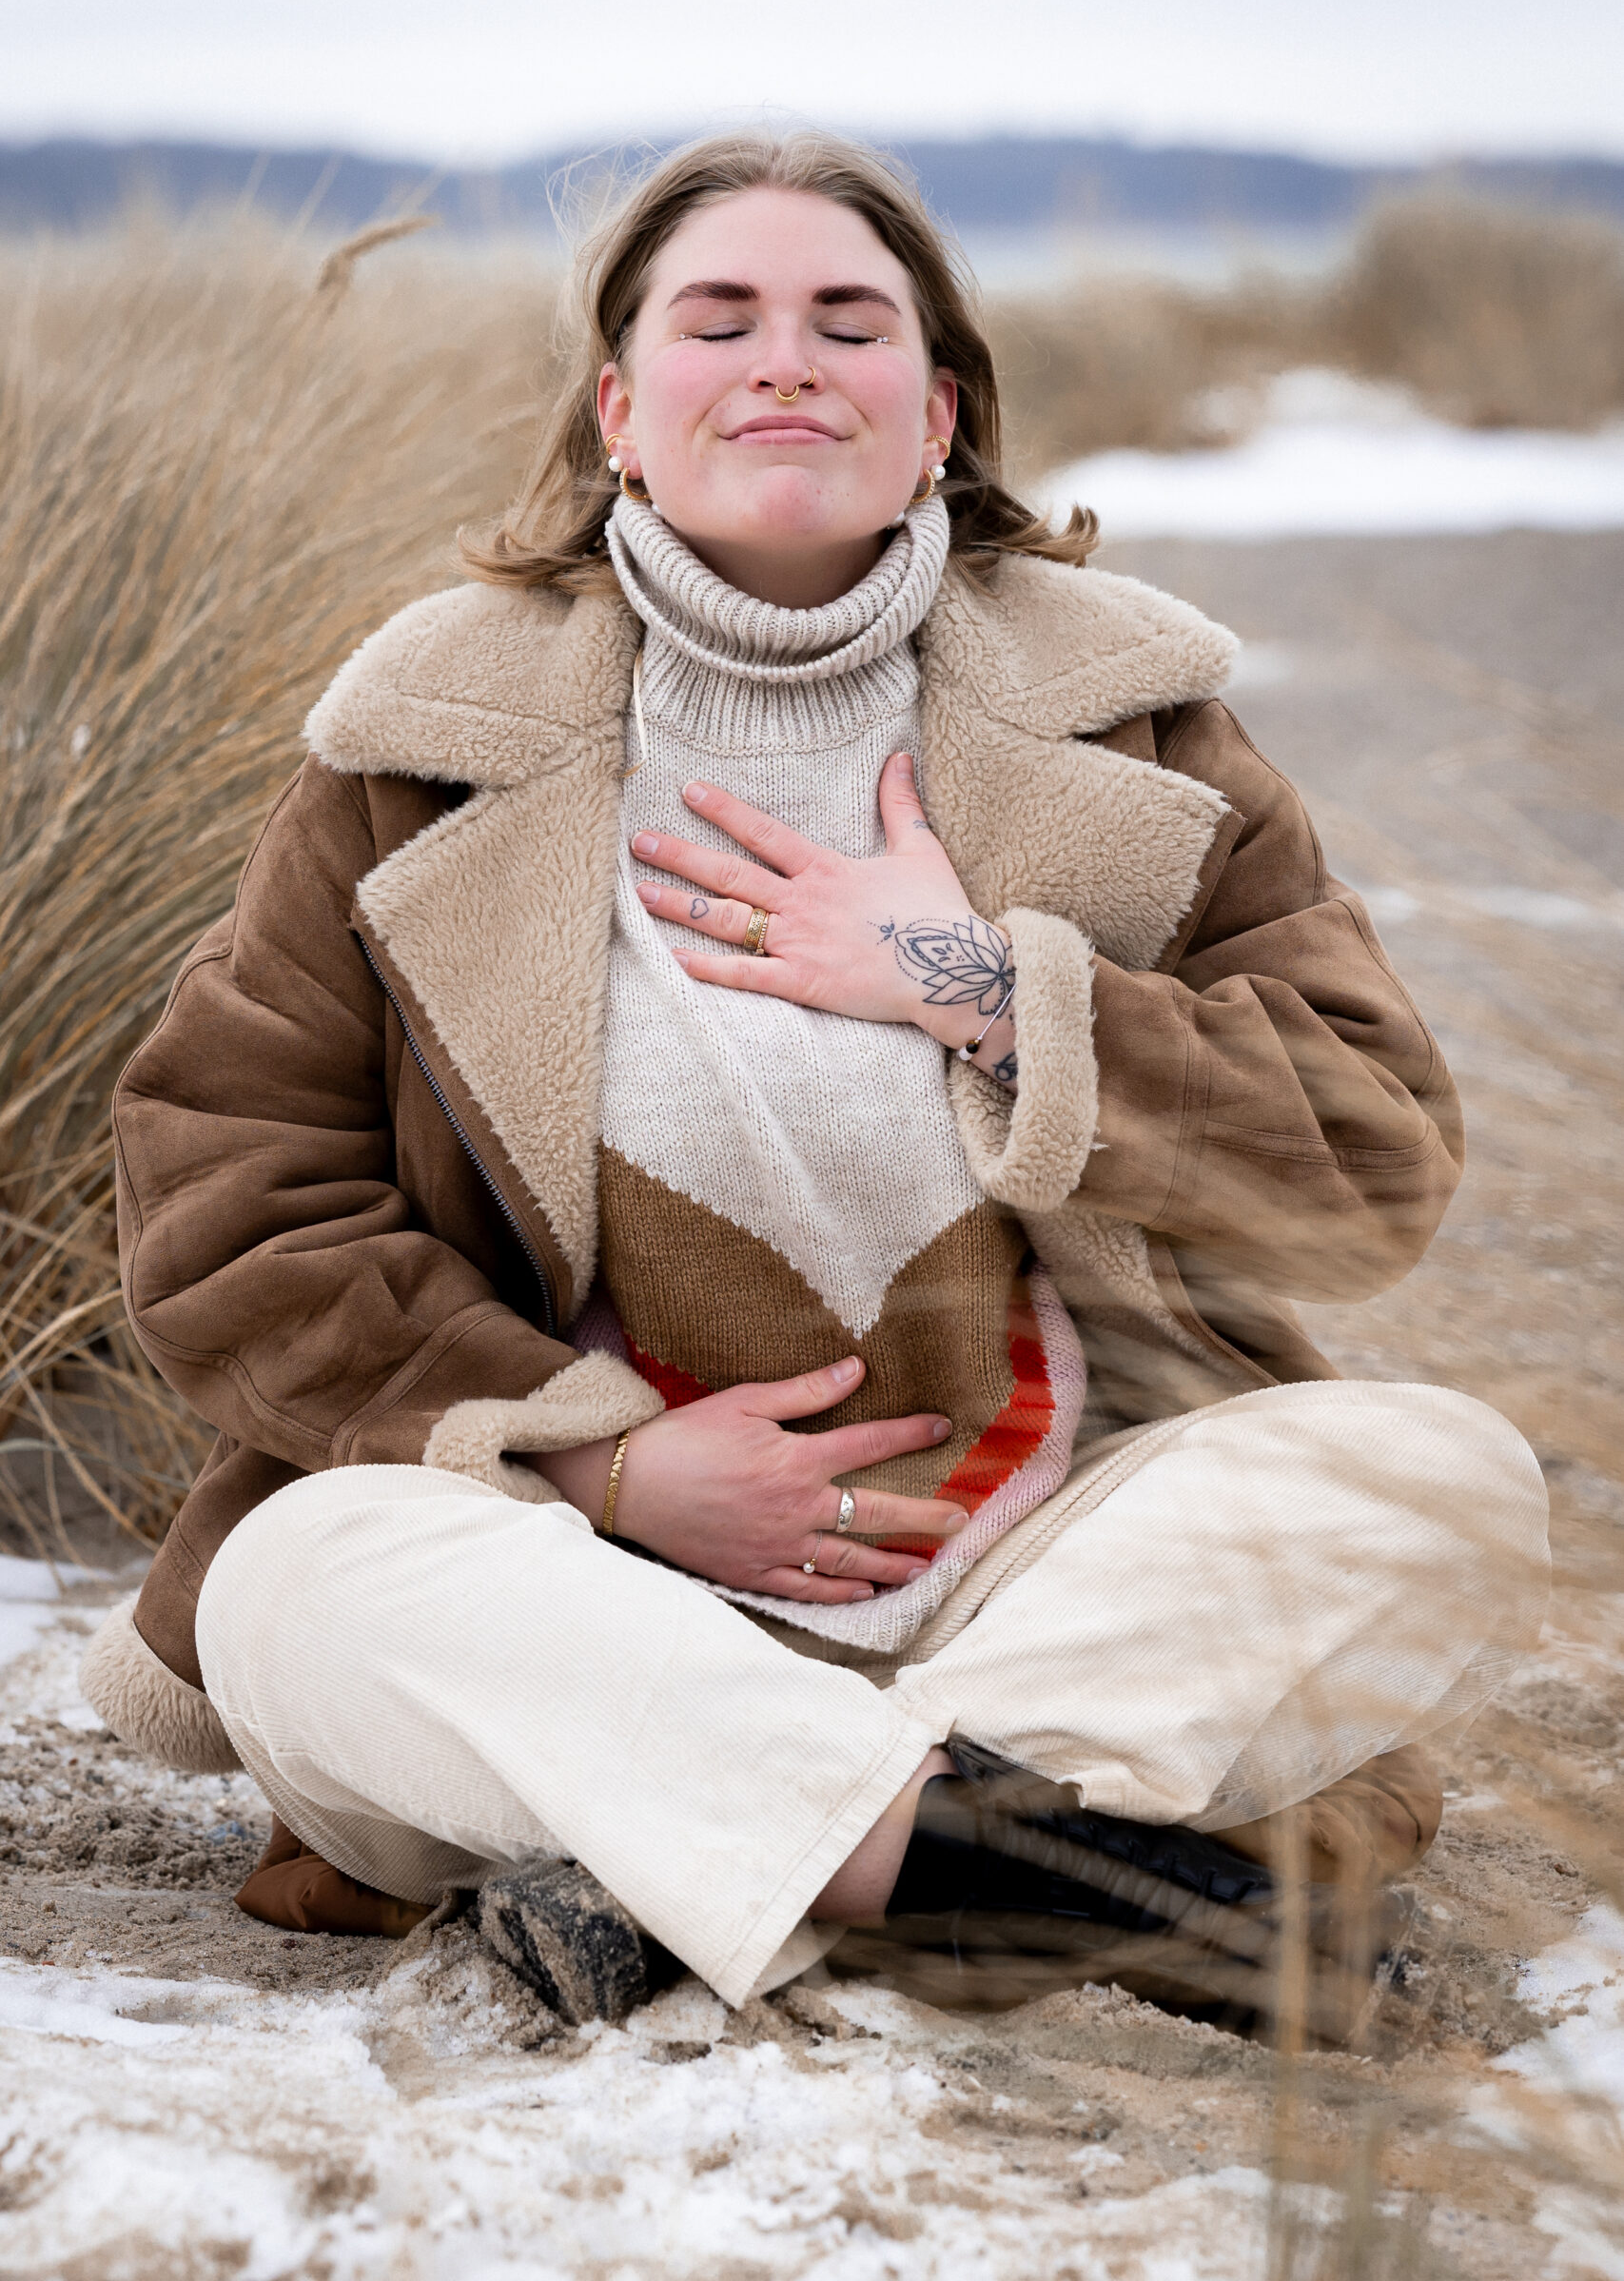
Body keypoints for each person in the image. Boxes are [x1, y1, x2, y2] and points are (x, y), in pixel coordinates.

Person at [84, 132, 1547, 2033]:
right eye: (720, 318)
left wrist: (971, 980)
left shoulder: (1135, 722)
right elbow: (226, 1201)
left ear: (934, 412)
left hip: (1034, 1573)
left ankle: (730, 1851)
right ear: (621, 408)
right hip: (572, 1588)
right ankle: (1027, 1872)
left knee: (1435, 1480)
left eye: (847, 321)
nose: (786, 357)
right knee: (301, 1572)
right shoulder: (413, 741)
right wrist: (602, 1463)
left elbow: (1368, 1151)